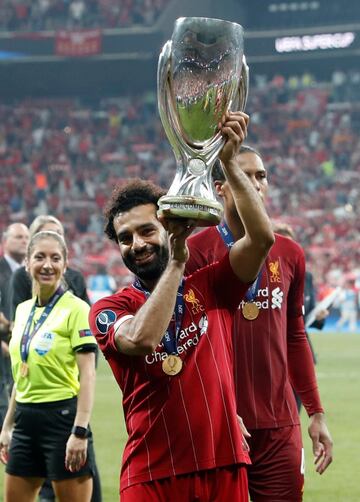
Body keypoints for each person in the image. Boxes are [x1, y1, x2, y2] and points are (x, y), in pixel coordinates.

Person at [89, 112, 275, 501]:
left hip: (224, 465)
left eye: (146, 230)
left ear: (166, 224)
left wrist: (228, 163)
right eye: (125, 238)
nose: (136, 244)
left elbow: (260, 239)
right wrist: (176, 260)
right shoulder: (109, 308)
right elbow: (140, 340)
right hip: (153, 475)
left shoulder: (209, 286)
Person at [186, 145, 333, 501]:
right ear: (221, 187)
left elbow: (295, 336)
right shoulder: (196, 252)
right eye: (246, 174)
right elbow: (190, 346)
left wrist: (315, 413)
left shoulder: (290, 253)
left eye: (261, 176)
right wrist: (220, 410)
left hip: (280, 424)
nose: (256, 183)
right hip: (221, 425)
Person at [7, 215, 101, 502]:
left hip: (62, 420)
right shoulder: (22, 310)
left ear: (65, 264)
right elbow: (21, 373)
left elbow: (88, 374)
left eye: (55, 258)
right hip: (24, 420)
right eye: (39, 257)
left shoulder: (76, 308)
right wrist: (8, 425)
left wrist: (80, 431)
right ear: (27, 263)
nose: (47, 264)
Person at [273, 221, 329, 412]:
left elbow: (308, 311)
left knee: (294, 414)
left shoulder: (306, 276)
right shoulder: (260, 274)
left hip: (297, 351)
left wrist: (320, 317)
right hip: (272, 352)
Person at [9, 215, 90, 319]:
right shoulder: (21, 280)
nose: (54, 239)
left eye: (59, 234)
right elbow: (15, 323)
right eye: (47, 234)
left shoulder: (76, 279)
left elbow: (88, 322)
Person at [0, 223, 30, 427]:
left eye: (27, 237)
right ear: (5, 241)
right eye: (19, 237)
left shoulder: (32, 272)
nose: (24, 241)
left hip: (24, 351)